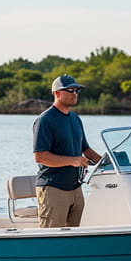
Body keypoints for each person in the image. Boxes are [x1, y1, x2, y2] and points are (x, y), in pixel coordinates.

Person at [32, 75, 102, 228]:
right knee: (51, 237)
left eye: (77, 90)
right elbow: (40, 156)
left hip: (76, 189)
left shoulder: (75, 119)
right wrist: (73, 160)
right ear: (57, 93)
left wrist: (107, 162)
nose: (74, 93)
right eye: (70, 90)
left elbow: (86, 149)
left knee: (75, 236)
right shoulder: (45, 120)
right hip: (53, 188)